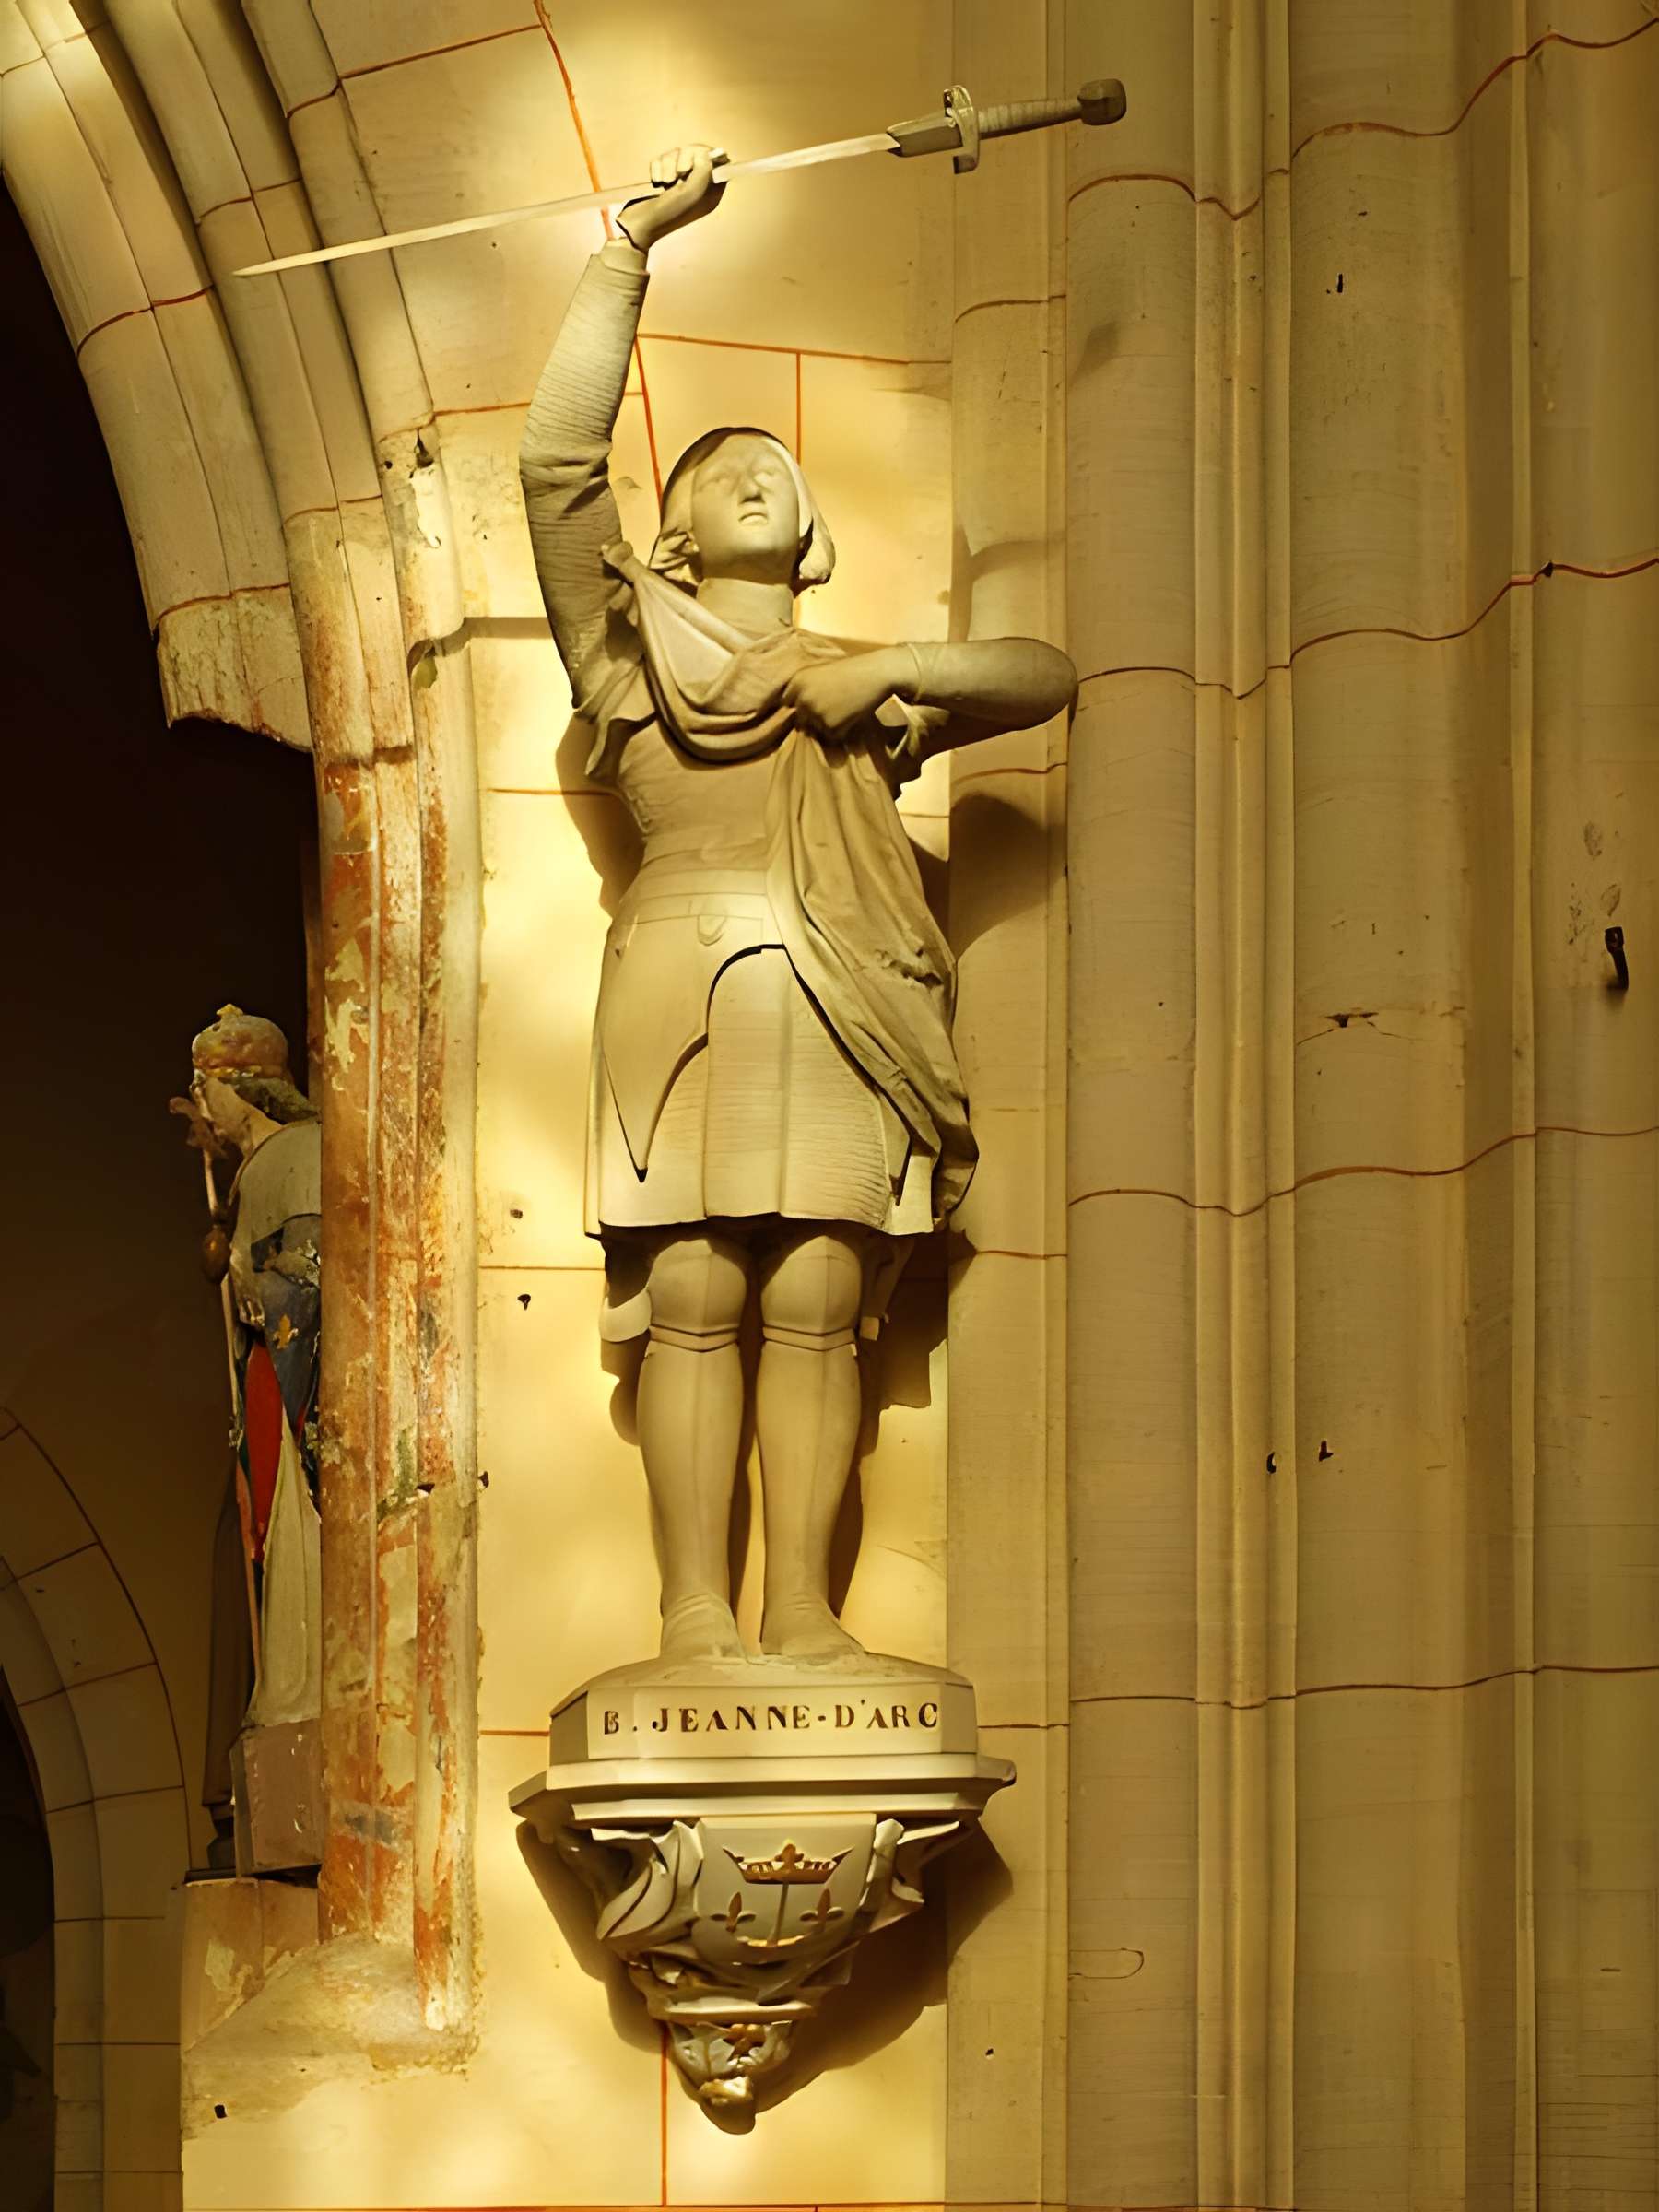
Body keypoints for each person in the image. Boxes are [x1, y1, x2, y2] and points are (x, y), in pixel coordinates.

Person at [520, 147, 1077, 1665]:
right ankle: (695, 1613)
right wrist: (628, 251)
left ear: (814, 528)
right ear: (678, 534)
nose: (753, 472)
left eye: (777, 466)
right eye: (718, 470)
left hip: (847, 986)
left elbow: (1043, 675)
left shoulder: (863, 679)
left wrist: (888, 671)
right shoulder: (632, 652)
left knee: (822, 1293)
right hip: (685, 986)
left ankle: (804, 1613)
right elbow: (556, 469)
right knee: (696, 1289)